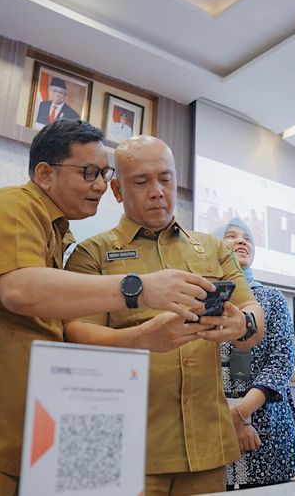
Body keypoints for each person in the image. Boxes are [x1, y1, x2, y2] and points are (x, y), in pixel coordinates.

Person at [0, 120, 217, 495]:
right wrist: (137, 288)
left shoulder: (57, 233)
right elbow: (19, 289)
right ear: (45, 173)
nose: (100, 185)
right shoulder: (13, 206)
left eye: (104, 173)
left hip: (19, 440)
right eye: (89, 173)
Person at [64, 135, 265, 496]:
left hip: (206, 446)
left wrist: (242, 323)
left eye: (166, 179)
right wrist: (140, 339)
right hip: (129, 446)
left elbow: (252, 315)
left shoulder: (215, 248)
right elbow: (75, 335)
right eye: (141, 182)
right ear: (118, 190)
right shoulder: (91, 254)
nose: (157, 191)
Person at [212, 218, 295, 489]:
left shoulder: (271, 298)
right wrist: (230, 419)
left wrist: (240, 414)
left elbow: (280, 363)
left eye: (246, 238)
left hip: (268, 428)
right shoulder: (205, 301)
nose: (241, 241)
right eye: (230, 236)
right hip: (214, 428)